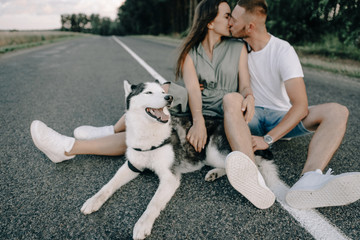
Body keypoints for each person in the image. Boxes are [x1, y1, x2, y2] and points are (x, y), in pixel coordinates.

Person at [30, 0, 275, 209]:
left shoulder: (238, 47)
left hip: (224, 114)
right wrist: (197, 122)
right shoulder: (191, 53)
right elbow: (191, 92)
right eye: (226, 15)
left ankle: (251, 177)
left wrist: (249, 95)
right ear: (210, 22)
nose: (231, 19)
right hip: (193, 109)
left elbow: (244, 85)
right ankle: (68, 147)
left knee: (231, 98)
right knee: (146, 131)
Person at [228, 0, 360, 209]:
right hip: (248, 118)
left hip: (279, 119)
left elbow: (300, 106)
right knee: (231, 103)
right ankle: (252, 179)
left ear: (250, 26)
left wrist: (268, 139)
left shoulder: (282, 50)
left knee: (338, 111)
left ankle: (310, 179)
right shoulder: (234, 48)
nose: (229, 23)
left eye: (233, 20)